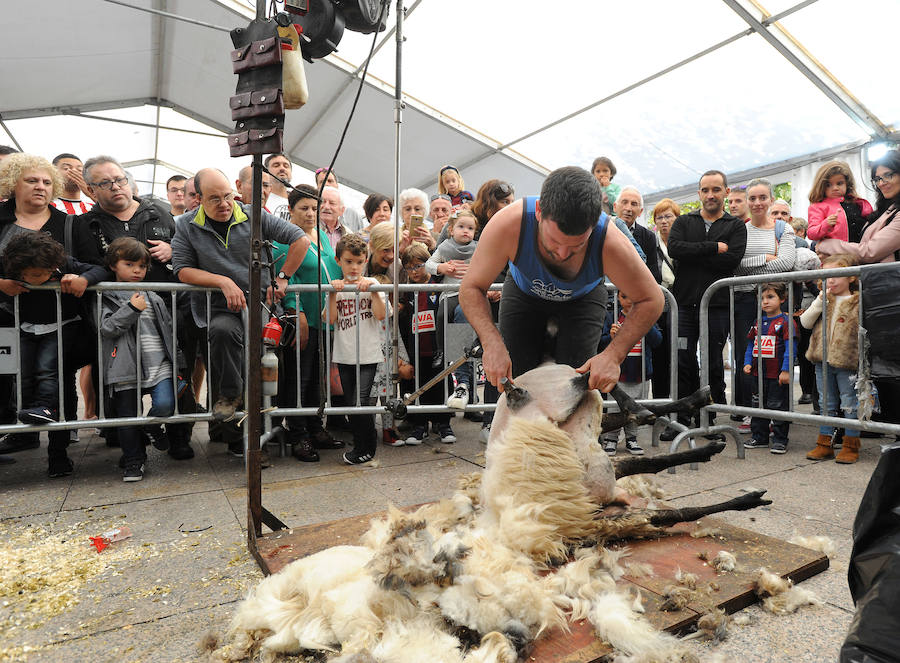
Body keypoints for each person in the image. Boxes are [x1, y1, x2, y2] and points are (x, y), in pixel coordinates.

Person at [460, 166, 662, 395]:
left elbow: (652, 299)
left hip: (582, 299)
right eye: (554, 243)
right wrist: (490, 342)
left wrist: (614, 355)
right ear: (538, 211)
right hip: (524, 295)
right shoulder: (508, 224)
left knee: (573, 387)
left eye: (577, 246)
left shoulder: (610, 241)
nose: (564, 254)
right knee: (516, 381)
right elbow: (471, 287)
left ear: (594, 223)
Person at [171, 168, 309, 458]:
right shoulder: (184, 224)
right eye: (213, 199)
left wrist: (283, 277)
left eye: (227, 197)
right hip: (220, 308)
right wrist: (222, 281)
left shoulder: (253, 214)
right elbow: (182, 270)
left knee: (265, 368)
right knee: (222, 333)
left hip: (261, 307)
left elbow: (301, 239)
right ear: (197, 199)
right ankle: (230, 399)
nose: (224, 204)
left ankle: (262, 432)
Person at [79, 155, 196, 460]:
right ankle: (128, 441)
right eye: (105, 183)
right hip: (117, 312)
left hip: (168, 311)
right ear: (92, 190)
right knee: (124, 385)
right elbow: (91, 267)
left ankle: (179, 437)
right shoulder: (86, 224)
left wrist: (172, 251)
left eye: (119, 179)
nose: (116, 187)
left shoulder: (158, 212)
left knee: (175, 375)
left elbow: (184, 250)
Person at [0, 153, 100, 457]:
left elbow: (98, 265)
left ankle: (60, 445)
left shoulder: (69, 223)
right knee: (8, 379)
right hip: (6, 321)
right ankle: (18, 434)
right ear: (13, 184)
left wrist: (84, 279)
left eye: (46, 181)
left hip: (61, 320)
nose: (40, 187)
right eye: (31, 180)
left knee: (57, 376)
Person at [0, 232, 105, 476]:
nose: (38, 279)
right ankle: (31, 412)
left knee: (49, 372)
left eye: (43, 274)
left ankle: (49, 412)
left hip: (62, 328)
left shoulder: (64, 263)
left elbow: (100, 270)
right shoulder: (9, 264)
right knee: (24, 375)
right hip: (25, 329)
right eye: (31, 276)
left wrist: (83, 278)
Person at [815, 150, 900, 420]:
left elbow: (869, 251)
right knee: (883, 363)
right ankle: (889, 425)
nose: (882, 182)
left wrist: (827, 246)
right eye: (878, 178)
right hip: (879, 296)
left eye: (889, 175)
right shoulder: (884, 210)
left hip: (893, 295)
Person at [665, 170, 746, 439]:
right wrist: (713, 248)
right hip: (684, 306)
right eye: (705, 190)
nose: (710, 195)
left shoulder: (735, 226)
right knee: (682, 360)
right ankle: (680, 418)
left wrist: (695, 252)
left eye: (715, 189)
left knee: (712, 364)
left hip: (717, 307)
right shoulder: (684, 221)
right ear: (699, 193)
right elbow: (675, 248)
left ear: (725, 191)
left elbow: (730, 261)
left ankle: (708, 419)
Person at [100, 238, 184, 481]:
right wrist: (131, 308)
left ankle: (151, 425)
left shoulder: (153, 295)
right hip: (125, 366)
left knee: (166, 405)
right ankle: (134, 460)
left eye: (142, 266)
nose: (137, 271)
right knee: (126, 418)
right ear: (113, 265)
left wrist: (177, 360)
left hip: (159, 363)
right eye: (130, 264)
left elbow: (168, 329)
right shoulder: (104, 294)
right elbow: (106, 327)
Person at [274, 184, 342, 462]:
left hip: (326, 319)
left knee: (317, 379)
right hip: (303, 319)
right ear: (290, 210)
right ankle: (298, 434)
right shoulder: (284, 239)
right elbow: (288, 279)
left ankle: (316, 428)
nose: (311, 213)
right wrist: (297, 312)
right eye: (304, 208)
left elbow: (332, 268)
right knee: (298, 378)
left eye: (314, 208)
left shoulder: (323, 237)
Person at [731, 178, 796, 432]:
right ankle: (750, 413)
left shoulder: (783, 229)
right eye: (753, 198)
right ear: (748, 201)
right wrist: (766, 258)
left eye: (763, 197)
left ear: (770, 199)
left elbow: (787, 262)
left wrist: (754, 266)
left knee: (778, 356)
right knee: (747, 356)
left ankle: (778, 414)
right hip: (745, 303)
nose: (758, 203)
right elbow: (734, 266)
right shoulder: (740, 231)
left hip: (776, 302)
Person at [326, 234, 388, 465]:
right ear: (338, 260)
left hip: (368, 353)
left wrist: (372, 290)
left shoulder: (374, 283)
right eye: (349, 261)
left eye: (359, 262)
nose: (354, 267)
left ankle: (367, 448)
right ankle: (362, 444)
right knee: (352, 403)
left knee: (360, 402)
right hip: (344, 354)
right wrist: (332, 293)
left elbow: (381, 315)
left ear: (366, 260)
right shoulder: (337, 286)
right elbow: (330, 319)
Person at [801, 254, 862, 463]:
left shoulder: (858, 301)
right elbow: (805, 322)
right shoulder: (824, 300)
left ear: (851, 277)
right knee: (827, 403)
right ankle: (824, 444)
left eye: (836, 275)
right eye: (826, 275)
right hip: (822, 360)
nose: (831, 280)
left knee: (849, 404)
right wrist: (819, 301)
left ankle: (851, 445)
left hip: (847, 362)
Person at [398, 243, 455, 445]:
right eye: (409, 268)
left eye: (418, 265)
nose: (414, 271)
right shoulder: (406, 291)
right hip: (417, 348)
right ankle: (419, 425)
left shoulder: (438, 284)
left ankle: (444, 423)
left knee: (441, 384)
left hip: (437, 348)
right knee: (418, 386)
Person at [426, 209, 478, 407]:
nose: (466, 231)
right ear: (451, 230)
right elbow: (428, 264)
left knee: (462, 325)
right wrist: (441, 268)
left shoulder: (479, 248)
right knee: (441, 316)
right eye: (461, 227)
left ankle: (465, 366)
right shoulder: (445, 247)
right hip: (449, 293)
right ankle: (441, 351)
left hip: (470, 294)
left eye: (470, 228)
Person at [600, 289, 661, 456]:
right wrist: (611, 337)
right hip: (618, 371)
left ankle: (632, 438)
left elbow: (657, 341)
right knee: (614, 406)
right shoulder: (611, 316)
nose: (629, 300)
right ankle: (611, 438)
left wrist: (646, 325)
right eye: (624, 295)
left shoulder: (646, 315)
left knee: (636, 405)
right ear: (618, 297)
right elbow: (601, 341)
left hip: (640, 370)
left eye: (633, 295)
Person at [741, 282, 797, 454]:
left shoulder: (786, 322)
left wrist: (786, 370)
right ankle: (760, 436)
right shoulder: (757, 322)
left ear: (782, 299)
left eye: (770, 297)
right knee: (758, 405)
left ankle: (780, 439)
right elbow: (751, 344)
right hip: (759, 373)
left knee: (779, 407)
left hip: (777, 374)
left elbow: (790, 347)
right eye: (762, 298)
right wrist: (747, 362)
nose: (765, 302)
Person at [650, 199, 678, 400]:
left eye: (668, 216)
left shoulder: (684, 242)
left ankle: (679, 398)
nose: (664, 221)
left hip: (681, 304)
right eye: (659, 217)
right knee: (660, 355)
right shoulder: (651, 243)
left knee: (681, 355)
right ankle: (660, 401)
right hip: (659, 305)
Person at [806, 160, 873, 244]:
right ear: (821, 186)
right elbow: (811, 233)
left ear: (847, 184)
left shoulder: (858, 203)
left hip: (862, 250)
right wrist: (825, 224)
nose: (835, 188)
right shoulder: (817, 207)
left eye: (839, 183)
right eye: (828, 185)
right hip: (836, 255)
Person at [615, 187, 660, 284]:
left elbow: (653, 273)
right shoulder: (602, 229)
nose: (628, 208)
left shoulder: (648, 236)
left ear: (640, 211)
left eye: (634, 204)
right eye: (624, 202)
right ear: (615, 206)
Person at [314, 168, 364, 232]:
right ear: (317, 187)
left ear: (337, 185)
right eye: (322, 182)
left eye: (330, 181)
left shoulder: (352, 215)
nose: (326, 184)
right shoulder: (311, 214)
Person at [319, 186, 353, 251]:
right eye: (322, 202)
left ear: (342, 210)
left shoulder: (348, 234)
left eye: (332, 203)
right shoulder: (309, 230)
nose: (326, 207)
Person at [263, 153, 293, 220]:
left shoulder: (297, 200)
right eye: (276, 165)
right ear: (266, 171)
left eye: (286, 166)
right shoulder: (261, 198)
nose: (282, 168)